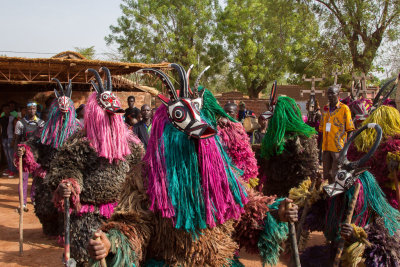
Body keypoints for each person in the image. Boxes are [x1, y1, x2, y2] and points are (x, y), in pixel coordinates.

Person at [87, 63, 298, 267]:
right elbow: (132, 225)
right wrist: (112, 242)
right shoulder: (146, 177)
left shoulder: (220, 171)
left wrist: (274, 211)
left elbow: (243, 210)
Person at [49, 67, 144, 266]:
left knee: (124, 257)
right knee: (88, 257)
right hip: (87, 216)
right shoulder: (79, 142)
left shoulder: (132, 145)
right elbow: (67, 166)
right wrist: (69, 183)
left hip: (122, 215)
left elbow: (140, 172)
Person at [15, 79, 81, 236]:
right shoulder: (45, 129)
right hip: (47, 175)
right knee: (45, 207)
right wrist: (26, 150)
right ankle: (50, 229)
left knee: (69, 209)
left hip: (69, 176)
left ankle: (65, 233)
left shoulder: (78, 129)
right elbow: (34, 143)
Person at [259, 96, 319, 196]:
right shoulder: (271, 138)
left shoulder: (302, 138)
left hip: (297, 195)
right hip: (275, 194)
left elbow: (307, 173)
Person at [319, 85, 355, 183]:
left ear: (338, 94)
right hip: (326, 148)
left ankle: (338, 197)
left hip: (338, 149)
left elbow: (350, 129)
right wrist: (320, 151)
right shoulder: (325, 109)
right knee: (326, 175)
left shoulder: (344, 109)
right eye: (328, 93)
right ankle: (330, 197)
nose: (330, 95)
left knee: (336, 174)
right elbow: (322, 130)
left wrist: (346, 149)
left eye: (332, 93)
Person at [14, 101, 45, 211]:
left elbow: (43, 141)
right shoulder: (20, 123)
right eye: (29, 109)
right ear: (26, 110)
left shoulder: (41, 123)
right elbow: (17, 140)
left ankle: (34, 198)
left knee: (37, 179)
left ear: (36, 110)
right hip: (23, 155)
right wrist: (15, 155)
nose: (31, 111)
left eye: (33, 109)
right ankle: (22, 203)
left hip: (36, 155)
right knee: (23, 179)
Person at [0, 104, 17, 178]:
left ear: (9, 110)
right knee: (7, 155)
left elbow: (15, 130)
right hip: (4, 138)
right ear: (3, 110)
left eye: (7, 109)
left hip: (10, 138)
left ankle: (13, 170)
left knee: (11, 155)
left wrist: (14, 140)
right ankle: (10, 169)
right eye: (5, 109)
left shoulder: (13, 118)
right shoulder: (2, 118)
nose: (6, 110)